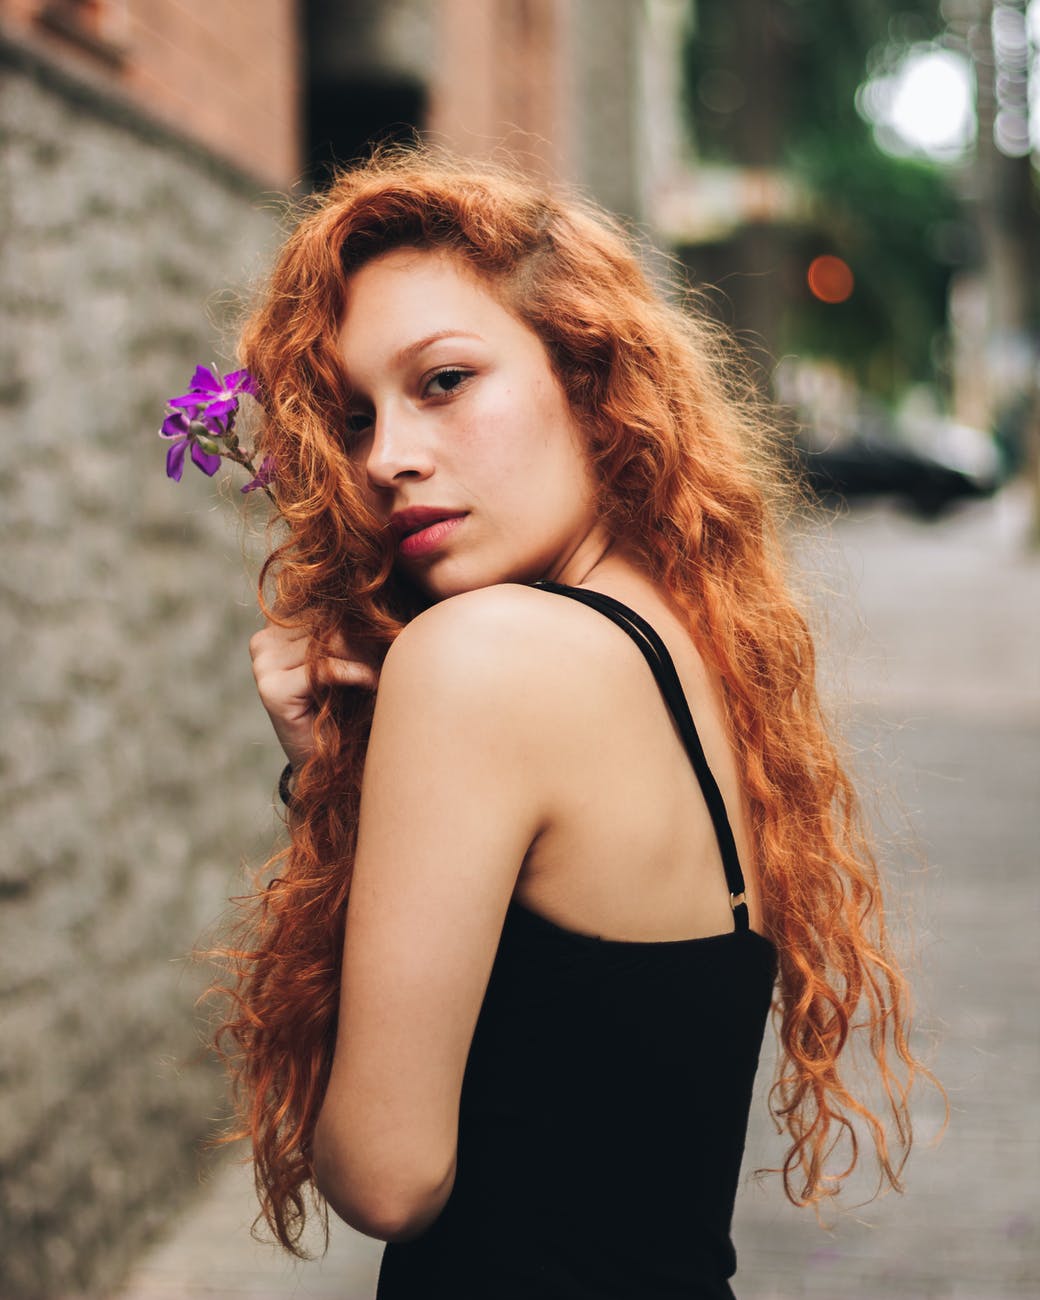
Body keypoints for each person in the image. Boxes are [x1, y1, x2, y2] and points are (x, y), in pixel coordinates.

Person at [216, 148, 934, 1299]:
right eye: (355, 416)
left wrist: (327, 800)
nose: (386, 456)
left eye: (442, 380)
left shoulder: (478, 656)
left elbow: (385, 1177)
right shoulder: (688, 650)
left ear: (586, 374)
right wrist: (336, 765)